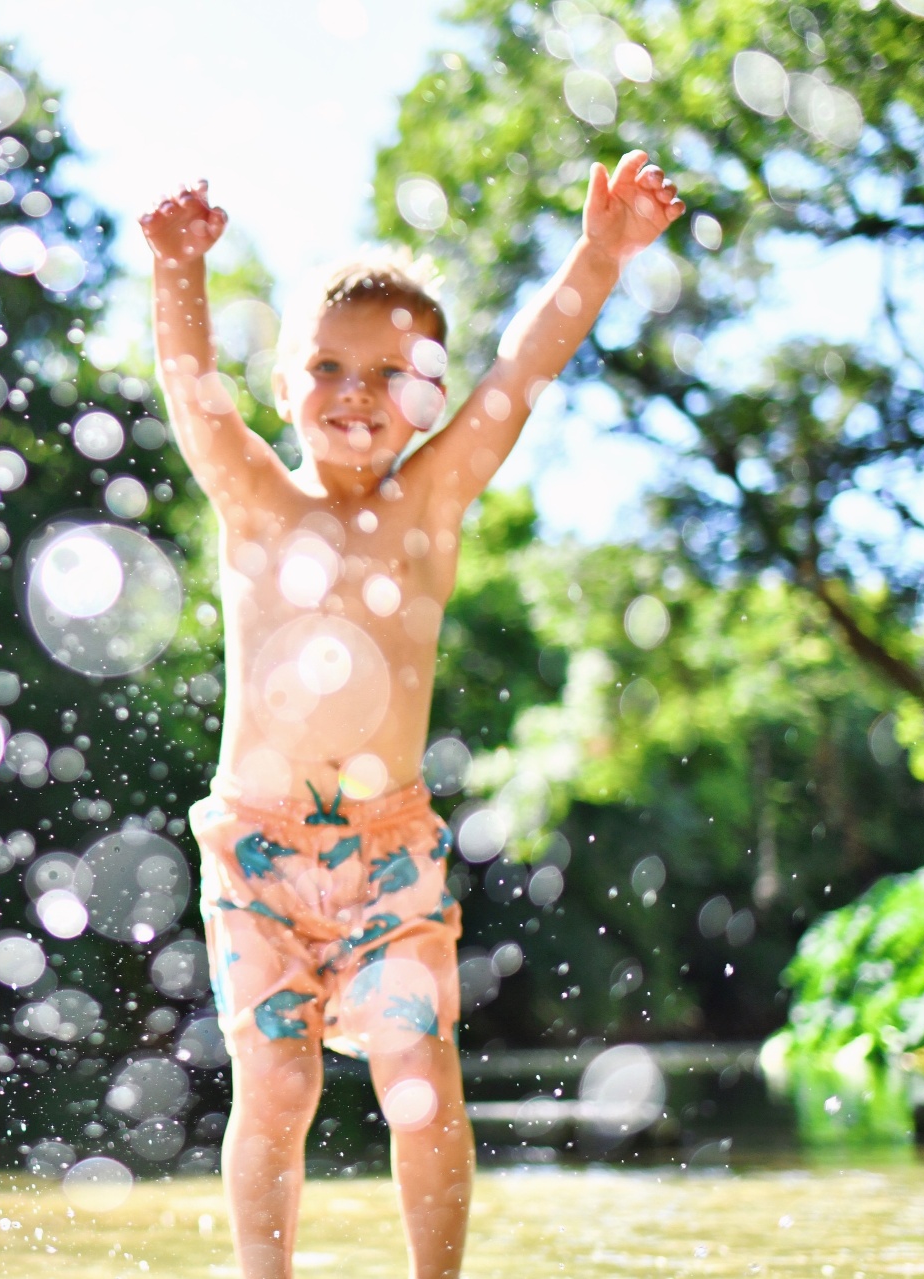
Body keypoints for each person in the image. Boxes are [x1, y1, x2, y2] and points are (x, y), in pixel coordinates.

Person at [141, 152, 684, 1279]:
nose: (356, 391)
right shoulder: (256, 499)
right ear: (284, 384)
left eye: (393, 373)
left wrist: (599, 255)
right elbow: (191, 388)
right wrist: (177, 268)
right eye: (329, 366)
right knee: (278, 1083)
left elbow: (523, 371)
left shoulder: (430, 498)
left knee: (421, 1080)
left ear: (433, 396)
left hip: (389, 854)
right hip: (256, 856)